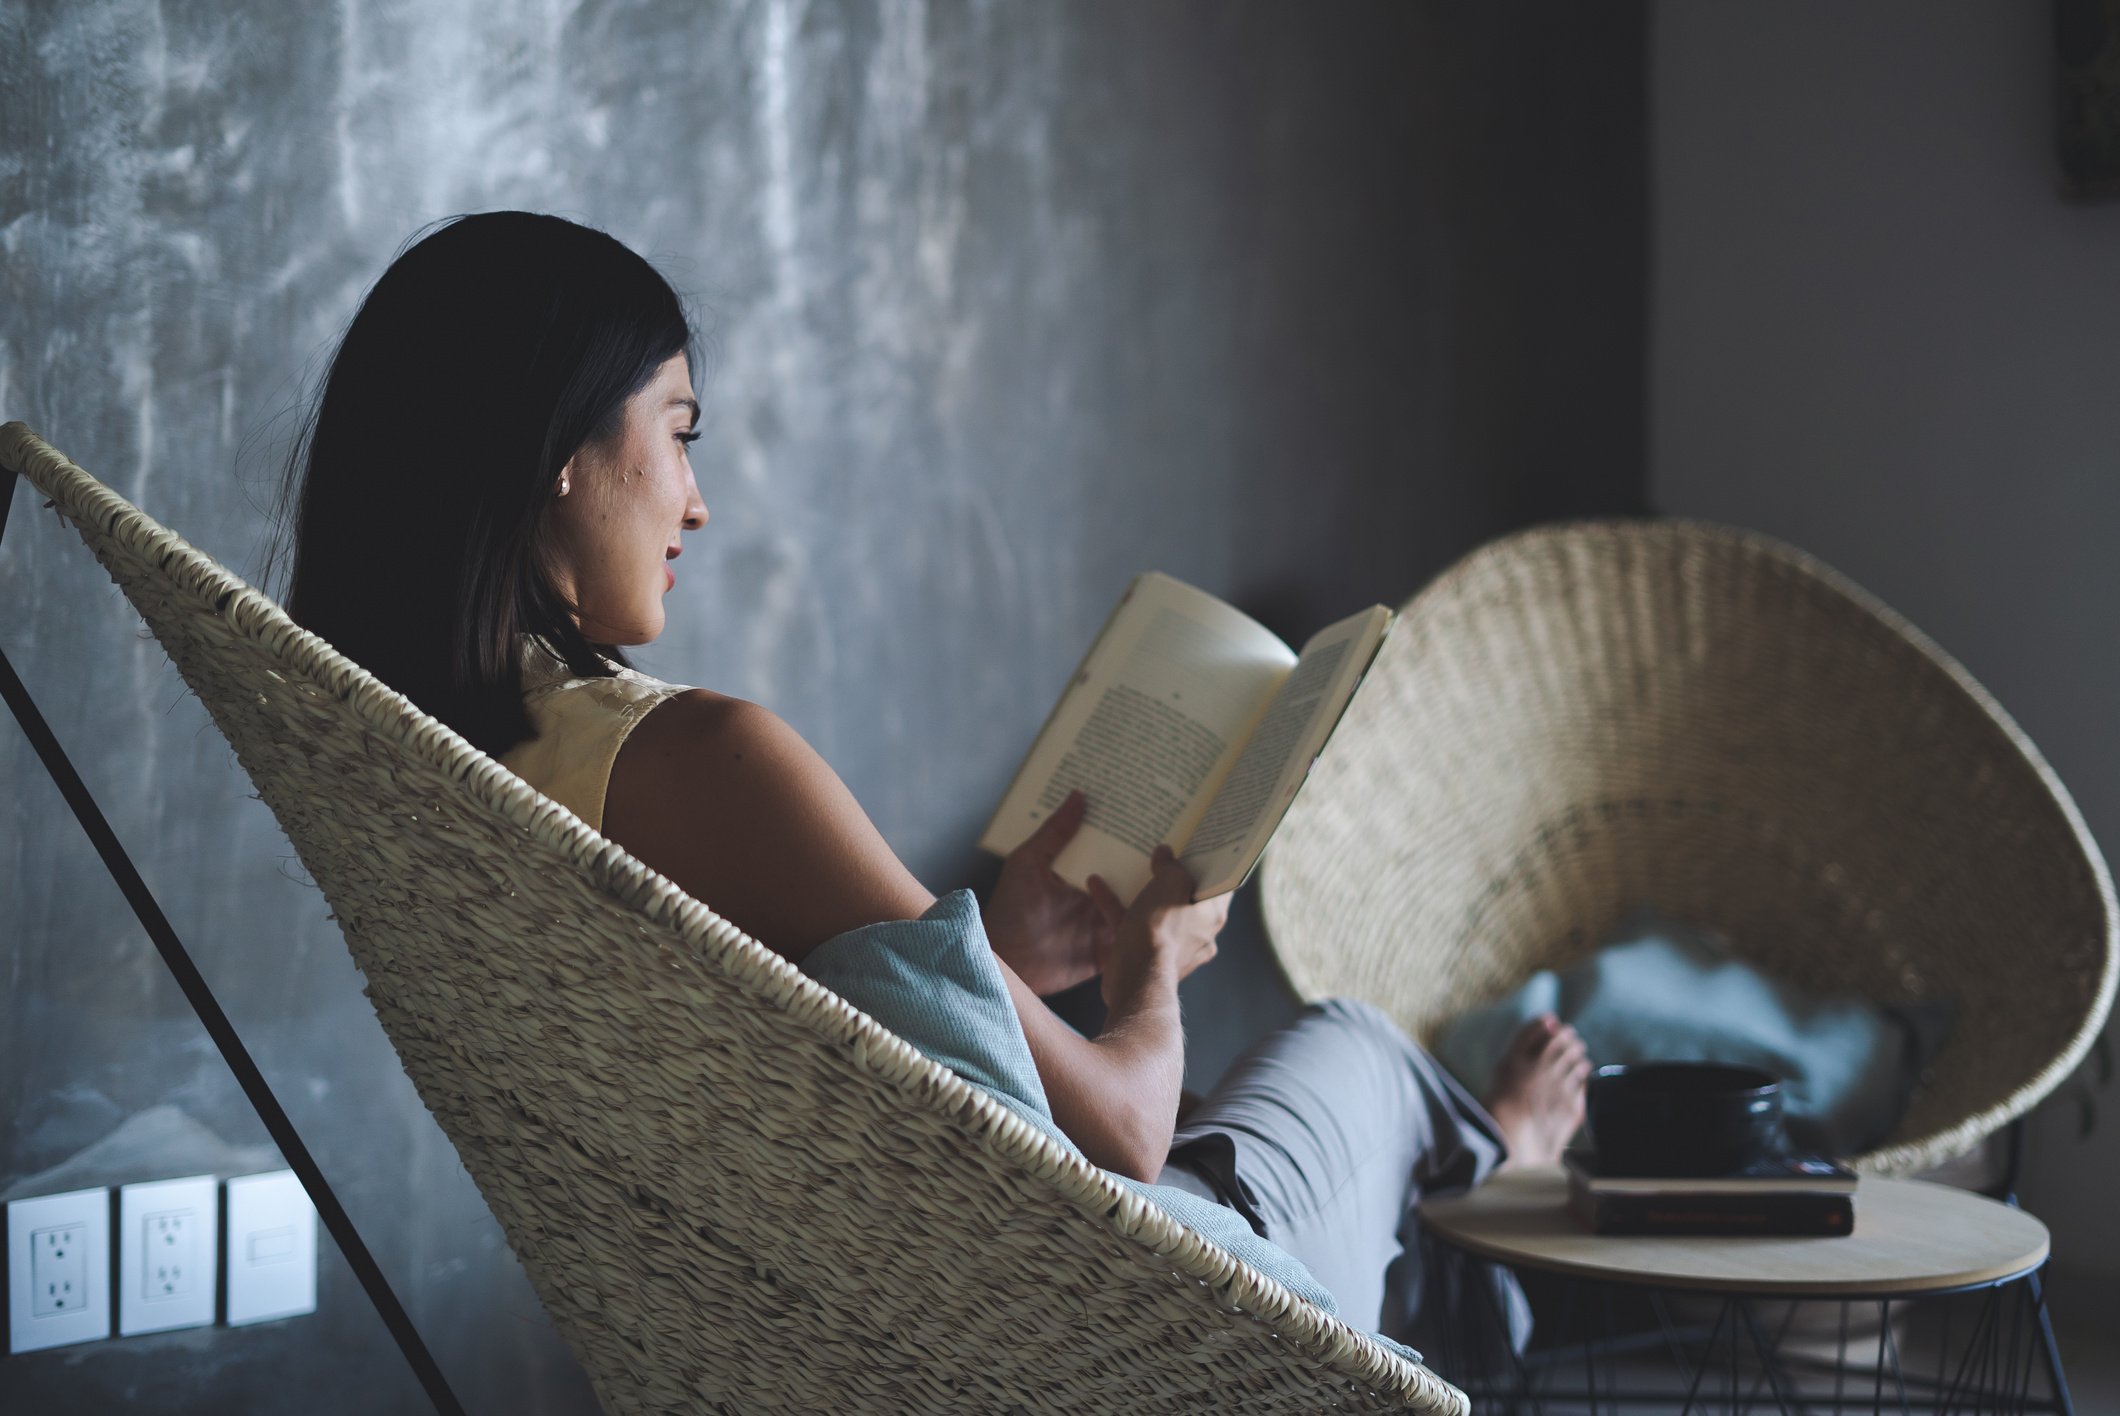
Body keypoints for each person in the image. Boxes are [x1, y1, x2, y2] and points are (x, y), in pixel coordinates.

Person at [276, 211, 1588, 1361]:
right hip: (1146, 1323)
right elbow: (1127, 1139)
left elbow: (796, 1067)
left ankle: (1464, 1227)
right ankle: (1498, 1185)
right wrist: (1149, 971)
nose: (697, 502)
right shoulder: (706, 759)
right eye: (678, 433)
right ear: (557, 449)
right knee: (1360, 1048)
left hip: (876, 1317)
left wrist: (997, 950)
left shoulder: (433, 776)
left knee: (1333, 1131)